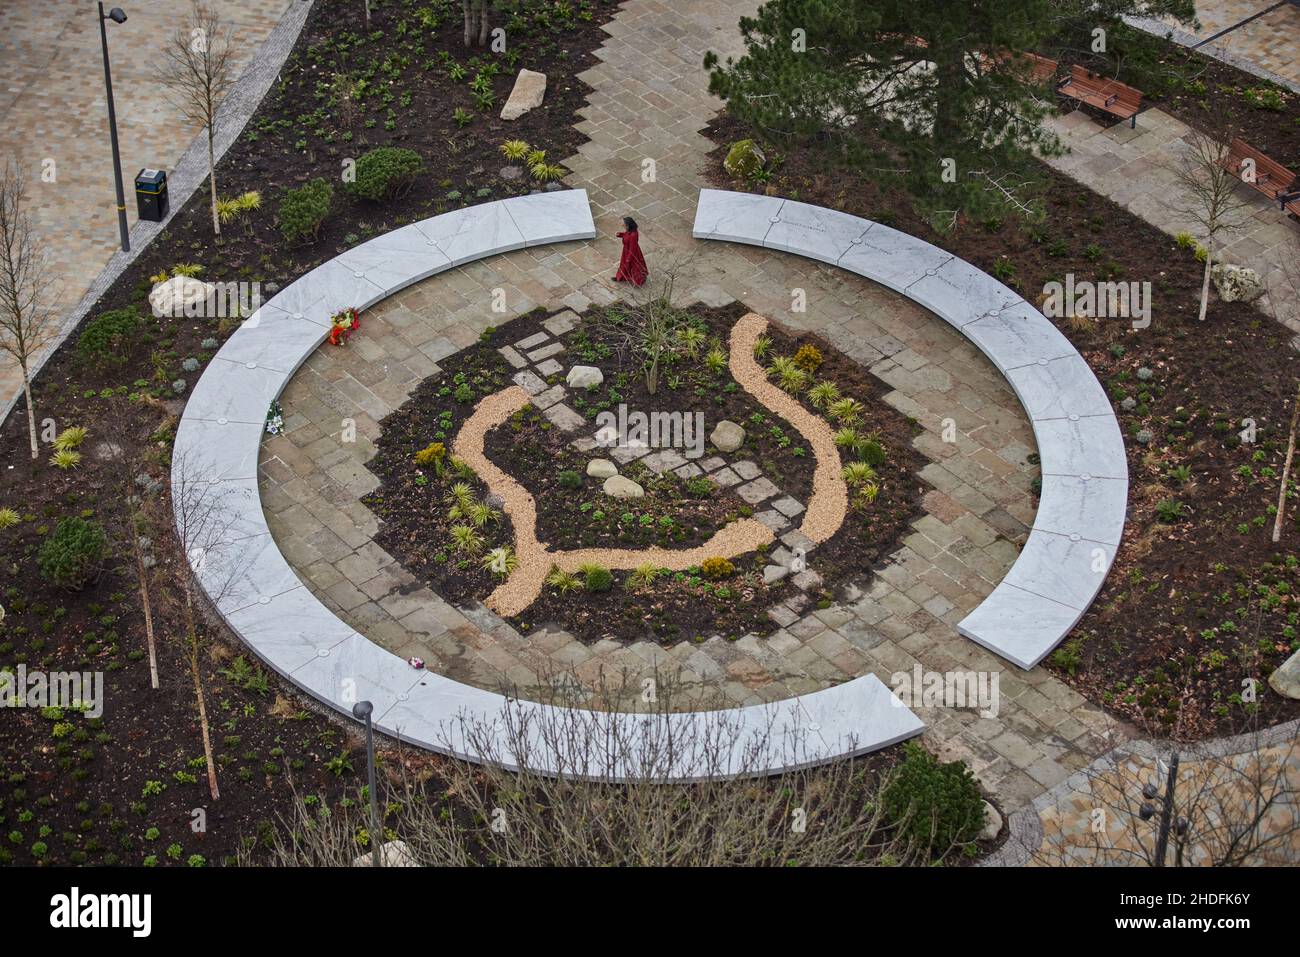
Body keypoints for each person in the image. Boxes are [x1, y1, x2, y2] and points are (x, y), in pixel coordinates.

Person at [613, 216, 648, 286]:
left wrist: (629, 258)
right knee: (624, 265)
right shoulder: (630, 231)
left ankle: (639, 281)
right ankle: (620, 277)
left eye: (623, 224)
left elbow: (632, 248)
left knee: (635, 267)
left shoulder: (633, 235)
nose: (622, 225)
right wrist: (620, 234)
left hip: (632, 253)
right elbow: (626, 235)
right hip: (626, 251)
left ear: (628, 225)